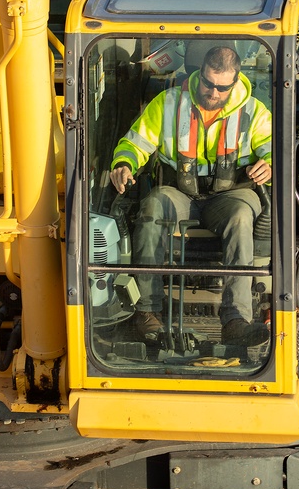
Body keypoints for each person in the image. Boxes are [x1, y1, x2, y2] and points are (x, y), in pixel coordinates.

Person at [110, 45, 273, 346]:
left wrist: (270, 164)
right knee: (152, 207)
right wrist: (124, 163)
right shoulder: (168, 103)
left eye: (222, 87)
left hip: (232, 195)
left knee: (241, 219)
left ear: (236, 81)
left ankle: (237, 320)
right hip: (180, 193)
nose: (213, 92)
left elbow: (274, 147)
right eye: (208, 83)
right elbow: (136, 141)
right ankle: (147, 312)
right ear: (200, 74)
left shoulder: (254, 112)